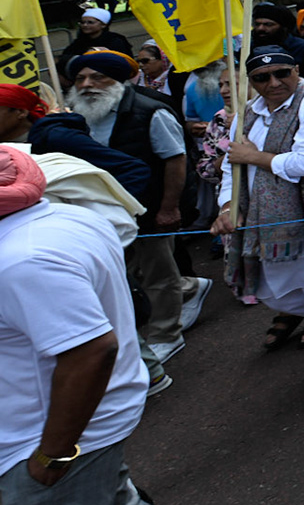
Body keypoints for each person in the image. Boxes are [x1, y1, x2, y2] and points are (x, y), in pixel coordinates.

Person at [0, 146, 201, 505]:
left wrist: (52, 453)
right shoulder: (67, 216)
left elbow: (90, 352)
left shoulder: (20, 261)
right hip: (89, 418)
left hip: (49, 433)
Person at [213, 48, 304, 412]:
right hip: (265, 227)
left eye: (282, 74)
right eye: (262, 78)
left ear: (297, 70)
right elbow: (231, 170)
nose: (274, 83)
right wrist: (228, 206)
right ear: (251, 82)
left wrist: (254, 156)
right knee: (271, 293)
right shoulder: (246, 116)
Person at [66, 50, 203, 381]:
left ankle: (166, 335)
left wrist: (168, 207)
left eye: (97, 77)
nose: (87, 85)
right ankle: (189, 287)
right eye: (81, 78)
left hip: (150, 206)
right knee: (127, 273)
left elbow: (175, 160)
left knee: (157, 271)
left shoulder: (150, 111)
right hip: (104, 212)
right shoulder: (77, 114)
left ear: (118, 80)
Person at [251, 2, 304, 93]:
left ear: (283, 27)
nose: (261, 28)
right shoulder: (250, 50)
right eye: (257, 24)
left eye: (268, 25)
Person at [58, 8, 134, 67]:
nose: (85, 25)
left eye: (90, 22)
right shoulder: (80, 41)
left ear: (103, 25)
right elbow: (65, 57)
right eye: (82, 22)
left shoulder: (115, 40)